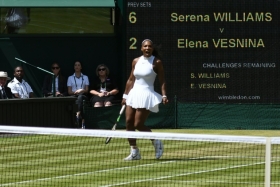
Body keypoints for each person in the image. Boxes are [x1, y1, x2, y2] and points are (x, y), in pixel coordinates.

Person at [122, 39, 169, 161]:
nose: (147, 48)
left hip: (146, 94)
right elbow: (131, 79)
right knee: (128, 122)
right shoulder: (136, 61)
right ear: (141, 48)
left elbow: (162, 80)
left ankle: (156, 142)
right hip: (133, 94)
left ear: (152, 49)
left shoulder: (157, 62)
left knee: (138, 124)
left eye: (149, 46)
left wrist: (164, 95)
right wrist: (125, 95)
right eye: (145, 46)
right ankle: (134, 151)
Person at [67, 61, 89, 129]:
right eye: (75, 65)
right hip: (74, 96)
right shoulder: (70, 78)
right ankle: (82, 121)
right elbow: (69, 91)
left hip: (83, 96)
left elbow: (87, 90)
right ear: (74, 67)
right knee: (78, 99)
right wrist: (76, 92)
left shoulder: (85, 77)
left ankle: (78, 114)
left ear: (81, 67)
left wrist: (82, 90)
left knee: (80, 97)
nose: (77, 66)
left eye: (78, 65)